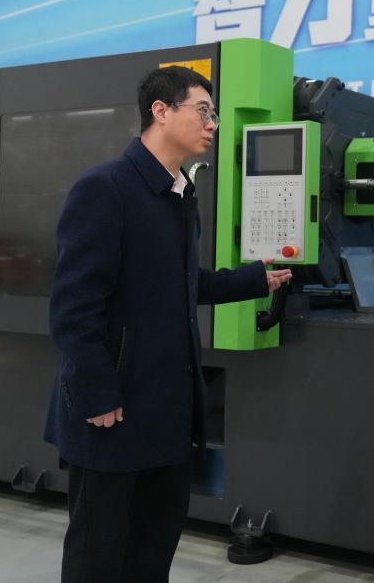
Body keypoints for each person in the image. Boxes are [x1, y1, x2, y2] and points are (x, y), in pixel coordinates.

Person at [44, 65, 292, 582]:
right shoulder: (105, 189)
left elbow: (179, 282)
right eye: (203, 111)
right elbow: (73, 306)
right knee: (97, 557)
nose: (213, 124)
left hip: (166, 413)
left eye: (214, 114)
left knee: (151, 555)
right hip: (111, 413)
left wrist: (253, 280)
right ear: (160, 111)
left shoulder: (180, 197)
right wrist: (96, 392)